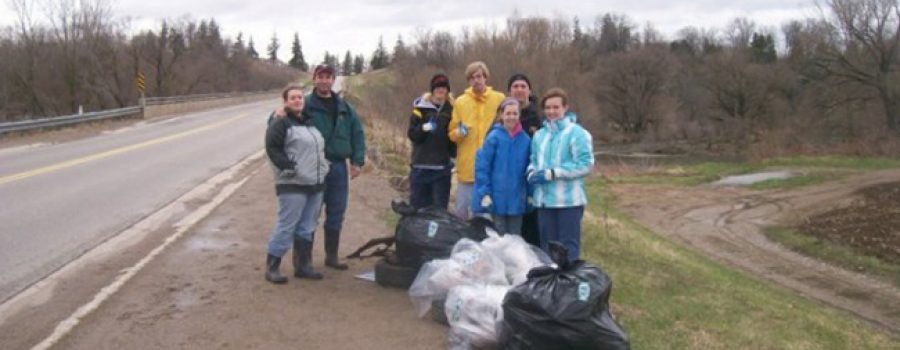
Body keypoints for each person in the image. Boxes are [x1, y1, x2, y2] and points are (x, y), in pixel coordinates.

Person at [275, 65, 366, 271]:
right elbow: (279, 126)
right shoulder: (304, 103)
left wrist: (357, 161)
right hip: (312, 166)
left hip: (338, 168)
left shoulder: (344, 107)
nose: (324, 81)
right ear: (314, 79)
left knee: (336, 211)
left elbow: (357, 133)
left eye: (328, 77)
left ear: (333, 80)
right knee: (310, 214)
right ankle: (302, 261)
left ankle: (331, 256)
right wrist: (278, 114)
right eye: (320, 77)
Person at [264, 85, 330, 283]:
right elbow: (272, 148)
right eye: (292, 97)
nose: (297, 100)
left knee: (308, 226)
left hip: (315, 183)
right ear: (285, 101)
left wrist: (325, 167)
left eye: (300, 97)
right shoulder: (281, 123)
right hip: (293, 184)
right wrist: (288, 167)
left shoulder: (310, 123)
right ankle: (272, 267)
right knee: (287, 225)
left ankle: (303, 266)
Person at [527, 88, 595, 262]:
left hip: (568, 203)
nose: (551, 111)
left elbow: (585, 164)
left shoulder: (577, 133)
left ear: (565, 108)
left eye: (556, 107)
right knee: (547, 250)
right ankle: (550, 285)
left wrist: (553, 173)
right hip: (543, 202)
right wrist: (531, 173)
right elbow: (533, 160)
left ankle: (568, 286)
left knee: (568, 250)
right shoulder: (539, 136)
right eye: (548, 108)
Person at [448, 61, 506, 220]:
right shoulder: (460, 102)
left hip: (492, 167)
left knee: (487, 215)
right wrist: (459, 132)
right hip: (467, 167)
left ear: (485, 77)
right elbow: (451, 133)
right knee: (462, 213)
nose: (476, 80)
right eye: (472, 78)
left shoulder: (499, 98)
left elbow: (509, 125)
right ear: (469, 81)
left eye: (479, 76)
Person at [472, 97, 531, 235]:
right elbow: (483, 167)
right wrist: (484, 193)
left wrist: (530, 193)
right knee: (499, 238)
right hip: (497, 199)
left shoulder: (526, 140)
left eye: (515, 113)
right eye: (508, 113)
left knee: (515, 237)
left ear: (519, 115)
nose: (511, 117)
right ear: (501, 115)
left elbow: (529, 168)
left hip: (517, 199)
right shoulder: (493, 137)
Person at [407, 73, 456, 209]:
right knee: (417, 209)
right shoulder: (420, 109)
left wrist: (453, 156)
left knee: (439, 211)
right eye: (437, 87)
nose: (440, 90)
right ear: (432, 89)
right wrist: (424, 128)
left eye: (443, 87)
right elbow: (412, 134)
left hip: (441, 170)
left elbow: (453, 139)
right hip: (420, 167)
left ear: (447, 90)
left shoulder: (452, 110)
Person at [507, 72, 542, 246]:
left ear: (529, 90)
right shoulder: (505, 115)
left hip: (532, 179)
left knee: (532, 227)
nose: (519, 90)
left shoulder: (539, 116)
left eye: (523, 86)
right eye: (515, 86)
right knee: (513, 230)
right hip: (510, 180)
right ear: (509, 91)